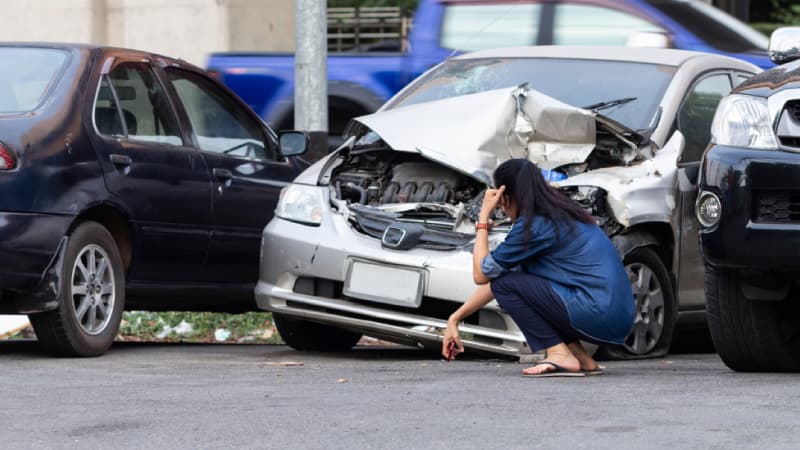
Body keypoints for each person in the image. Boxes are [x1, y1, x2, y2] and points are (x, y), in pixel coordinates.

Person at [442, 159, 636, 377]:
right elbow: (504, 277)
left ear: (504, 195)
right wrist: (455, 318)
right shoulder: (562, 213)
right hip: (617, 316)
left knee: (505, 284)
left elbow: (482, 274)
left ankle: (559, 354)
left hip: (597, 312)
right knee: (518, 283)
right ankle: (582, 359)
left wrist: (483, 219)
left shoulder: (534, 225)